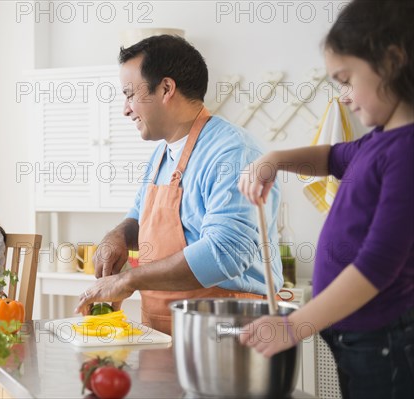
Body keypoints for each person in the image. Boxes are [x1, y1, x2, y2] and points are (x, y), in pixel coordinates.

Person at [237, 1, 414, 397]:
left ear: (392, 61)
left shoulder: (406, 152)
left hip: (380, 339)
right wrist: (274, 160)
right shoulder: (380, 141)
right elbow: (331, 157)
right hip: (357, 332)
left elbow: (377, 265)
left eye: (347, 79)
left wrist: (294, 325)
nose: (345, 97)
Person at [75, 35, 283, 334]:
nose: (125, 109)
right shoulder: (161, 154)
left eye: (130, 94)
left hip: (227, 332)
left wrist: (127, 280)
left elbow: (224, 254)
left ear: (166, 89)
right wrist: (117, 236)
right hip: (164, 330)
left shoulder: (234, 153)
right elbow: (139, 217)